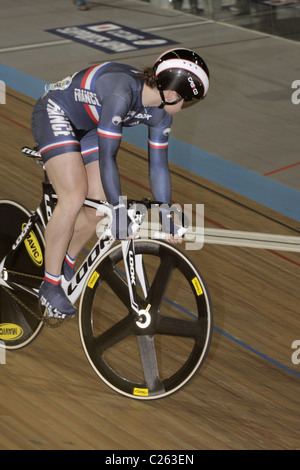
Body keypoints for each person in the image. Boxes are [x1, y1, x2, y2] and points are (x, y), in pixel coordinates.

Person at [31, 48, 210, 318]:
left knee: (98, 206)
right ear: (173, 93)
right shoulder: (121, 92)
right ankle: (50, 284)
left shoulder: (161, 114)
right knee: (74, 196)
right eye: (187, 100)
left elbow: (159, 165)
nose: (184, 107)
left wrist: (166, 212)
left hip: (90, 124)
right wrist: (119, 208)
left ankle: (65, 260)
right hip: (56, 112)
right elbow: (107, 156)